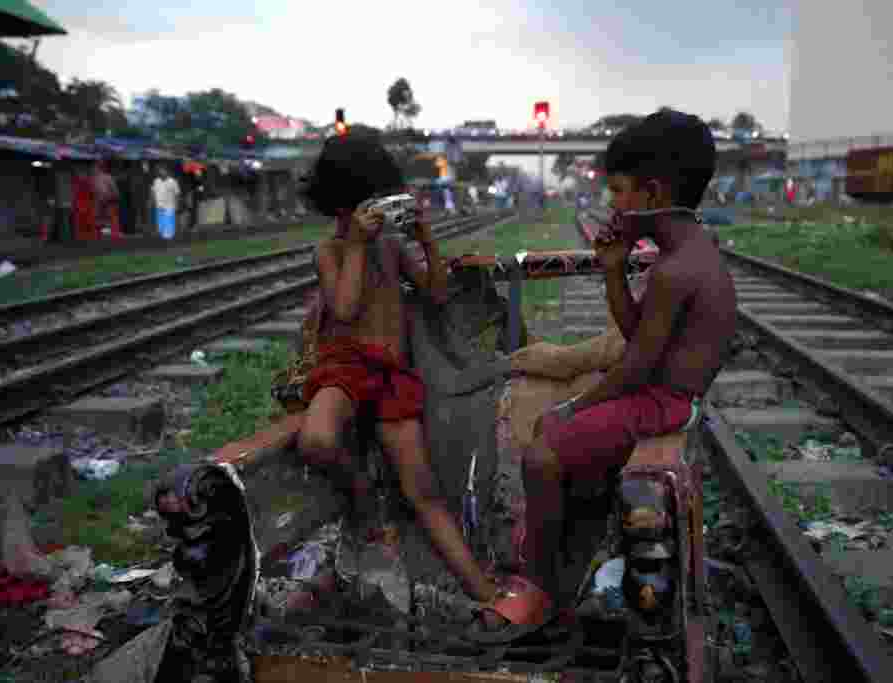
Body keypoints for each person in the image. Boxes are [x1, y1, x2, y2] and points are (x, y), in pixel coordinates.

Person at [476, 110, 738, 640]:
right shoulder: (686, 252)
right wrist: (614, 269)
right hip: (664, 393)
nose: (613, 203)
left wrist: (571, 408)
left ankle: (539, 589)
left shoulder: (673, 269)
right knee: (556, 433)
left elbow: (636, 366)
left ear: (653, 191)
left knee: (542, 449)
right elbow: (638, 330)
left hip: (662, 400)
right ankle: (569, 564)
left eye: (619, 191)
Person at [296, 135, 499, 608]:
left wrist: (425, 239)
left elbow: (436, 293)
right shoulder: (329, 250)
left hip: (391, 373)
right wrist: (359, 246)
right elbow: (343, 309)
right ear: (344, 203)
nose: (377, 210)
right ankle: (369, 511)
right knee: (318, 441)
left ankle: (484, 593)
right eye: (370, 201)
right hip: (344, 367)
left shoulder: (390, 247)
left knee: (423, 490)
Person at [91, 161, 122, 240]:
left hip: (108, 201)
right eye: (94, 168)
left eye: (95, 167)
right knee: (99, 220)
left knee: (110, 220)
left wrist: (112, 197)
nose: (93, 169)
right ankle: (101, 236)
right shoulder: (93, 178)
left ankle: (113, 236)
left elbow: (115, 191)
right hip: (99, 202)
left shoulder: (107, 177)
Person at [151, 165, 181, 239]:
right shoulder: (156, 181)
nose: (161, 172)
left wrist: (177, 204)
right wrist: (153, 201)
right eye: (160, 171)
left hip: (169, 206)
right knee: (160, 223)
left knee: (169, 222)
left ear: (167, 171)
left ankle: (170, 238)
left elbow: (177, 194)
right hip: (159, 205)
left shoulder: (173, 181)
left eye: (163, 170)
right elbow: (153, 192)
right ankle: (162, 238)